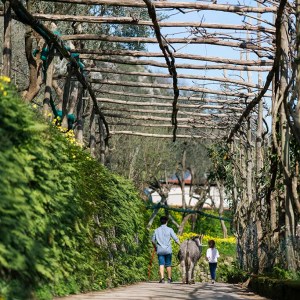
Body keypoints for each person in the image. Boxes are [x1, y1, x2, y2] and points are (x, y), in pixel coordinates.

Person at [152, 216, 180, 283]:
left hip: (160, 250)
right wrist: (180, 245)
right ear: (166, 222)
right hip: (168, 250)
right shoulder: (170, 229)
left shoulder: (156, 230)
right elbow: (176, 239)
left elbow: (153, 240)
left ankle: (162, 279)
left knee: (161, 264)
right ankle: (169, 279)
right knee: (168, 264)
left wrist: (155, 247)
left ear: (160, 222)